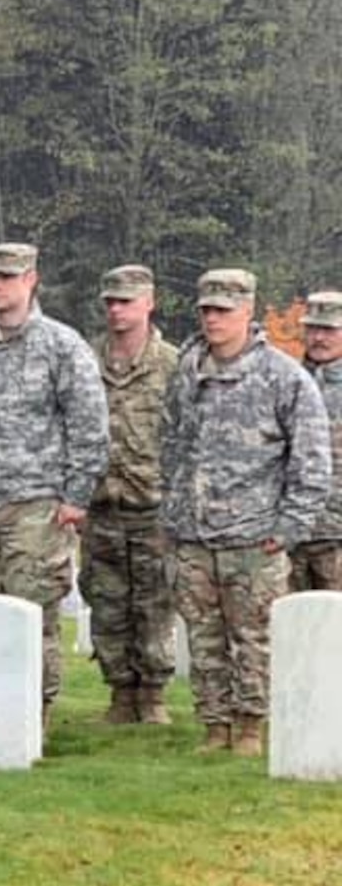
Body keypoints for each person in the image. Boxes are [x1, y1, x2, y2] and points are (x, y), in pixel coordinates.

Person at [161, 270, 332, 755]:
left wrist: (290, 528)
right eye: (206, 310)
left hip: (255, 536)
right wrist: (171, 517)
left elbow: (311, 460)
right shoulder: (188, 371)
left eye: (223, 311)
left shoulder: (283, 377)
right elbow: (170, 443)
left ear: (248, 313)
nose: (213, 319)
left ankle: (252, 726)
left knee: (252, 638)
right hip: (193, 533)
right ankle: (215, 726)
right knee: (204, 637)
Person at [0, 242, 108, 726]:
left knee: (31, 614)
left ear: (31, 279)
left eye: (8, 277)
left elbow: (89, 423)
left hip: (34, 505)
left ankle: (31, 714)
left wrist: (77, 496)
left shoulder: (61, 345)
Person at [85, 266, 182, 726]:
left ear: (149, 303)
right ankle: (120, 693)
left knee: (154, 603)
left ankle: (154, 695)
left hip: (154, 505)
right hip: (101, 505)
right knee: (106, 603)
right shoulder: (86, 362)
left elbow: (187, 435)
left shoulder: (173, 365)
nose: (117, 310)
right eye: (110, 302)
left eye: (126, 301)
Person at [293, 292, 342, 593]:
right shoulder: (286, 380)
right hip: (292, 534)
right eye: (313, 329)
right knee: (287, 630)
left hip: (338, 535)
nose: (319, 338)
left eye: (329, 330)